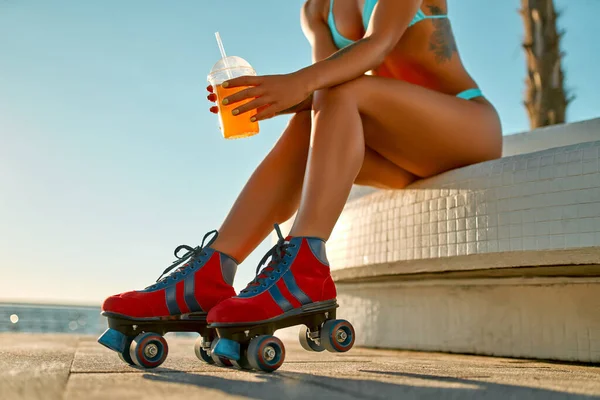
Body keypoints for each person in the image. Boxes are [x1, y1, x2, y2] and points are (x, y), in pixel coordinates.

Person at [102, 0, 502, 329]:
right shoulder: (316, 9)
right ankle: (213, 272)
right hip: (403, 154)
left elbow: (377, 46)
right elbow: (325, 88)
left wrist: (293, 85)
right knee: (312, 117)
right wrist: (263, 100)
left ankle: (306, 268)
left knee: (339, 94)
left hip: (466, 128)